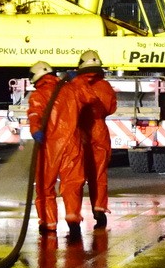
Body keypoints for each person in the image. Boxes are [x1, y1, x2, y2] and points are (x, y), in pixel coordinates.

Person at [27, 61, 86, 238]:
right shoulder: (71, 89)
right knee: (73, 183)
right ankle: (73, 217)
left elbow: (35, 115)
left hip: (50, 145)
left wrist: (36, 131)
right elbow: (89, 100)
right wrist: (78, 82)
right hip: (73, 142)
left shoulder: (38, 94)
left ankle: (49, 223)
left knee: (45, 186)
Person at [72, 50, 117, 228]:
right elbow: (111, 108)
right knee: (98, 174)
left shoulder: (74, 85)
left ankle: (73, 214)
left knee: (75, 175)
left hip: (79, 130)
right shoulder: (105, 86)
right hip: (99, 130)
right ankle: (99, 210)